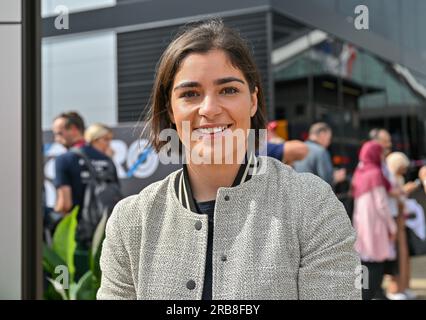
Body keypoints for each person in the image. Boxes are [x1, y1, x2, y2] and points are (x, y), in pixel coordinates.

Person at [97, 20, 360, 300]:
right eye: (190, 94)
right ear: (171, 110)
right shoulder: (132, 220)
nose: (209, 109)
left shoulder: (310, 204)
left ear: (253, 101)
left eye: (228, 90)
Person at [52, 112, 120, 277]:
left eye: (59, 133)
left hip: (76, 241)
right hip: (105, 238)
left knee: (73, 287)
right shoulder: (106, 159)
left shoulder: (64, 160)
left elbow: (64, 204)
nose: (56, 139)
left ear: (74, 130)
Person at [351, 141, 397, 300]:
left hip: (361, 224)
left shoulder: (359, 172)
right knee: (376, 262)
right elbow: (382, 204)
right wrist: (392, 227)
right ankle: (370, 294)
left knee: (363, 261)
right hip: (375, 225)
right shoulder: (376, 173)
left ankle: (360, 293)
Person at [385, 152, 420, 299]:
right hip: (393, 221)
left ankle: (404, 286)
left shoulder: (398, 178)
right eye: (402, 167)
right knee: (396, 256)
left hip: (401, 222)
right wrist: (405, 190)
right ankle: (394, 289)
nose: (405, 170)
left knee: (403, 256)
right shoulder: (388, 179)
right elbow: (391, 197)